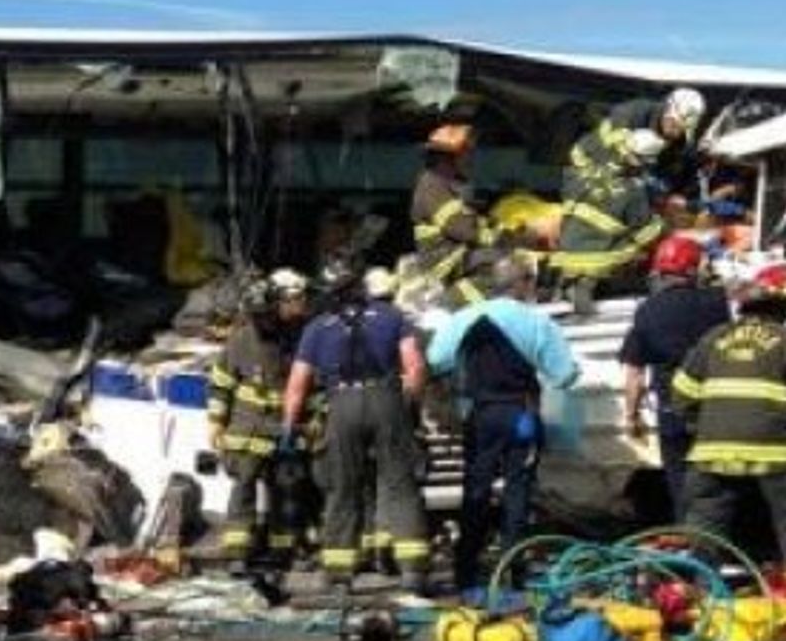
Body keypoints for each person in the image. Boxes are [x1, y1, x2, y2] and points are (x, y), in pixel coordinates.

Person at [427, 256, 580, 596]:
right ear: (523, 284)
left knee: (475, 490)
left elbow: (436, 360)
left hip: (478, 416)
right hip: (520, 416)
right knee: (518, 493)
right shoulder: (537, 323)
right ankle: (514, 571)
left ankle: (465, 572)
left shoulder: (463, 319)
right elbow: (566, 376)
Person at [283, 256, 431, 593]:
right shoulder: (392, 317)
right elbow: (415, 367)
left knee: (343, 488)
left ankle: (339, 577)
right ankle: (413, 572)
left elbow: (297, 385)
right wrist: (408, 405)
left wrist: (289, 429)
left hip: (342, 405)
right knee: (400, 484)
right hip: (386, 398)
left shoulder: (317, 328)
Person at [672, 264, 786, 561]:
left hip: (713, 448)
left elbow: (682, 392)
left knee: (706, 523)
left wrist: (701, 424)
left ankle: (702, 589)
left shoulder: (714, 338)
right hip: (774, 452)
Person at [553, 88, 706, 308]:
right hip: (589, 173)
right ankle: (587, 289)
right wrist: (677, 237)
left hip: (567, 250)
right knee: (635, 242)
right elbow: (649, 233)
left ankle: (571, 284)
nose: (674, 133)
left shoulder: (591, 187)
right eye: (674, 125)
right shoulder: (631, 115)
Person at [618, 235, 731, 519]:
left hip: (672, 411)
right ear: (693, 269)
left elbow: (634, 374)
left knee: (681, 484)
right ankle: (727, 542)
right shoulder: (716, 303)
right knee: (720, 485)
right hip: (716, 410)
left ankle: (695, 548)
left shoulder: (647, 311)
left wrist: (631, 417)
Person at [207, 268, 312, 568]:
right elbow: (222, 382)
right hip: (247, 427)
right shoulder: (240, 339)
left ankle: (283, 551)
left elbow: (312, 382)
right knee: (243, 487)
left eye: (267, 314)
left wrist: (313, 420)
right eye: (258, 316)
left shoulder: (298, 336)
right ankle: (238, 553)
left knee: (285, 491)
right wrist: (215, 420)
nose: (263, 321)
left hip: (284, 428)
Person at [410, 123, 496, 308]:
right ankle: (453, 304)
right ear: (448, 158)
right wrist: (497, 238)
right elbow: (463, 230)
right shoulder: (432, 186)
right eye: (466, 153)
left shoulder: (450, 184)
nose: (470, 159)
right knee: (501, 264)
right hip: (443, 262)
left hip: (456, 256)